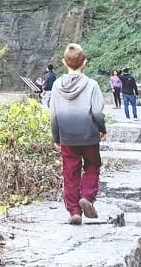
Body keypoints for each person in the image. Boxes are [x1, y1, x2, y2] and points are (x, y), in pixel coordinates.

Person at [50, 43, 106, 225]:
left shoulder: (57, 85)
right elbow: (97, 111)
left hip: (66, 135)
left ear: (63, 62)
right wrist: (101, 128)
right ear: (85, 62)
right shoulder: (92, 85)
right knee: (92, 165)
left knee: (70, 172)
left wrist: (56, 137)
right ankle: (87, 198)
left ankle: (74, 211)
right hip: (89, 134)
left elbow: (54, 114)